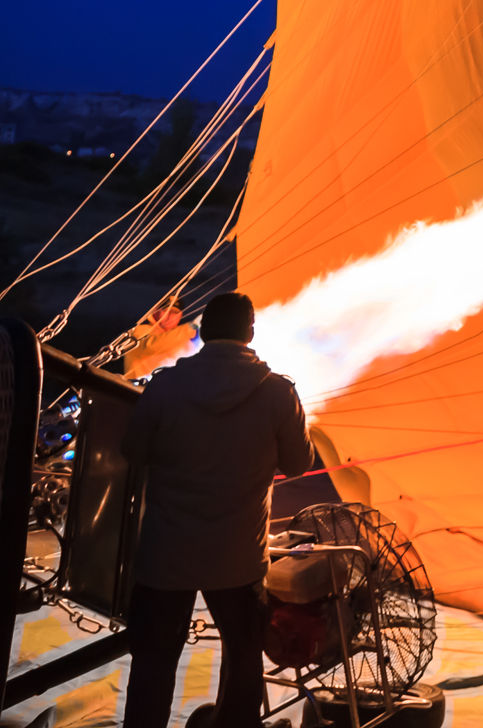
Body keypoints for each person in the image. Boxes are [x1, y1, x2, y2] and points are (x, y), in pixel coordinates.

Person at [119, 292, 308, 728]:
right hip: (238, 555)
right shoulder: (278, 392)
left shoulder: (165, 387)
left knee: (154, 662)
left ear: (202, 332)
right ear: (251, 333)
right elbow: (299, 463)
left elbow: (134, 450)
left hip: (167, 551)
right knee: (242, 657)